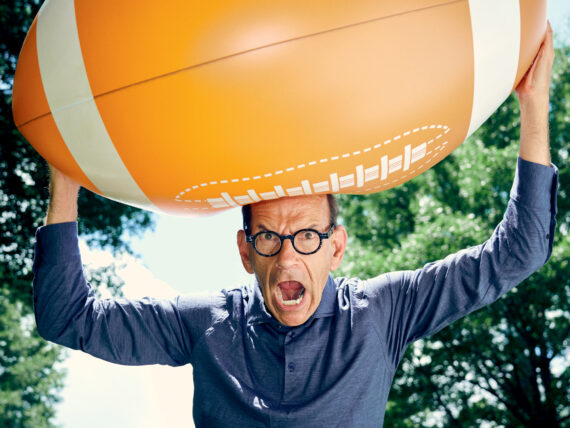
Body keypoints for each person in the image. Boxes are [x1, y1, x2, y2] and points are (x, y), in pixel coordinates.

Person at [33, 25, 557, 427]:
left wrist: (536, 106)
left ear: (337, 246)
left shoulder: (383, 313)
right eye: (269, 238)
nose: (287, 258)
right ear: (245, 250)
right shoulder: (202, 324)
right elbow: (67, 318)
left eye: (307, 237)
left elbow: (519, 252)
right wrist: (66, 177)